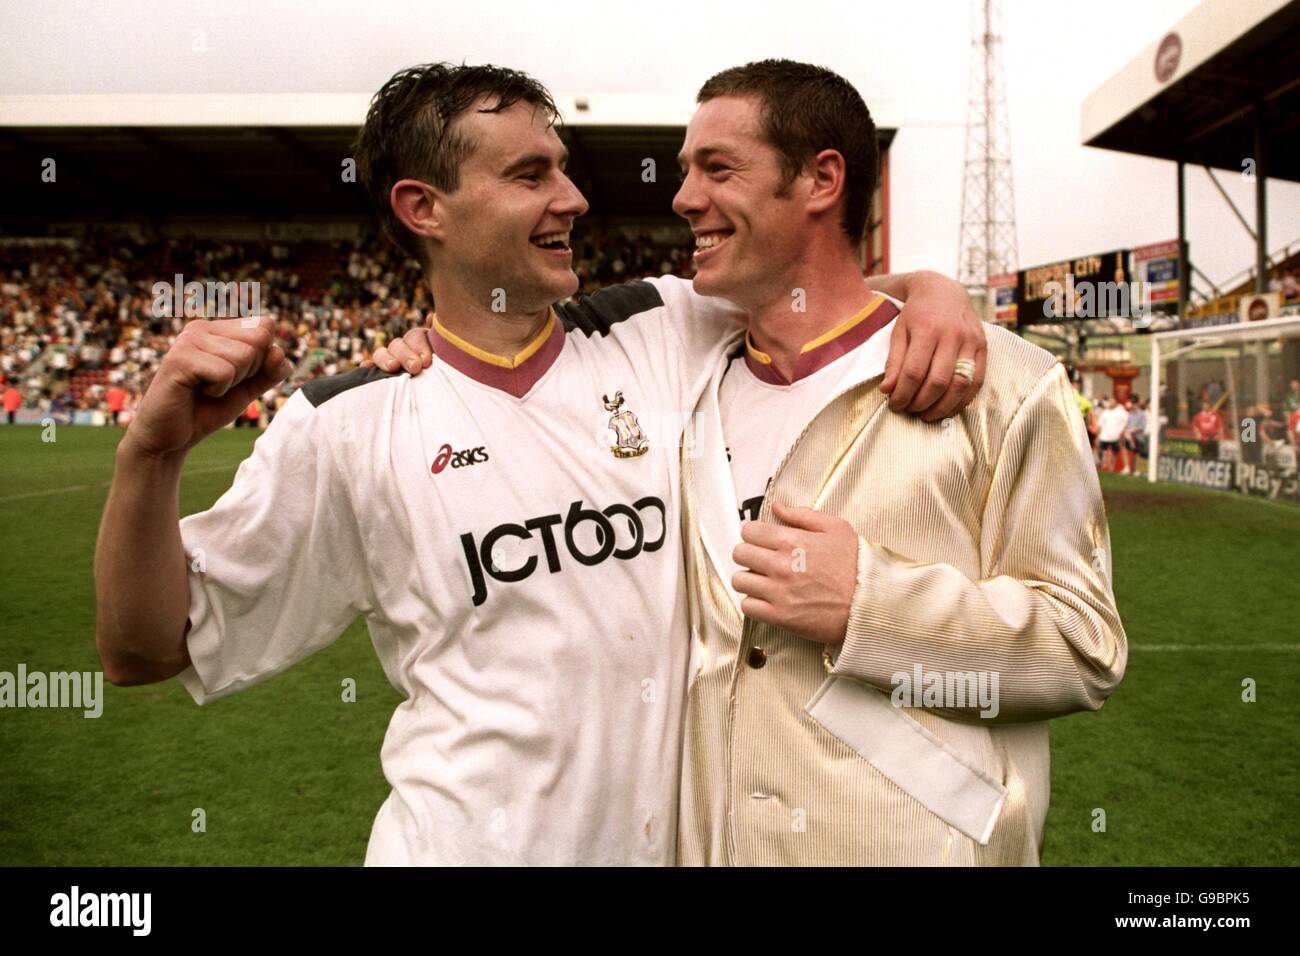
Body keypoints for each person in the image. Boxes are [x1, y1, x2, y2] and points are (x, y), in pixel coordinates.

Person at [94, 63, 979, 867]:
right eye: (529, 176)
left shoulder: (660, 328)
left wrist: (938, 293)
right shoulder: (347, 422)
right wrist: (153, 452)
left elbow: (818, 293)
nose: (574, 198)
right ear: (422, 208)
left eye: (560, 166)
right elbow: (145, 648)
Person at [381, 59, 1125, 866]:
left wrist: (872, 604)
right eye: (683, 171)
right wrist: (440, 351)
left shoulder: (1001, 385)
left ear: (820, 180)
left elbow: (1083, 646)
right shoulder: (682, 375)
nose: (683, 198)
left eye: (717, 168)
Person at [1097, 397, 1129, 472]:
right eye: (1110, 402)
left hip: (1115, 436)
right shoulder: (1105, 412)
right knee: (1101, 450)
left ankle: (1111, 468)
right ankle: (1102, 464)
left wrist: (1123, 431)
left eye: (1112, 402)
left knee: (1114, 452)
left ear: (1116, 403)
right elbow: (1100, 424)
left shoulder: (1121, 412)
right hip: (1104, 436)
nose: (1110, 403)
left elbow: (1127, 422)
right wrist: (1098, 435)